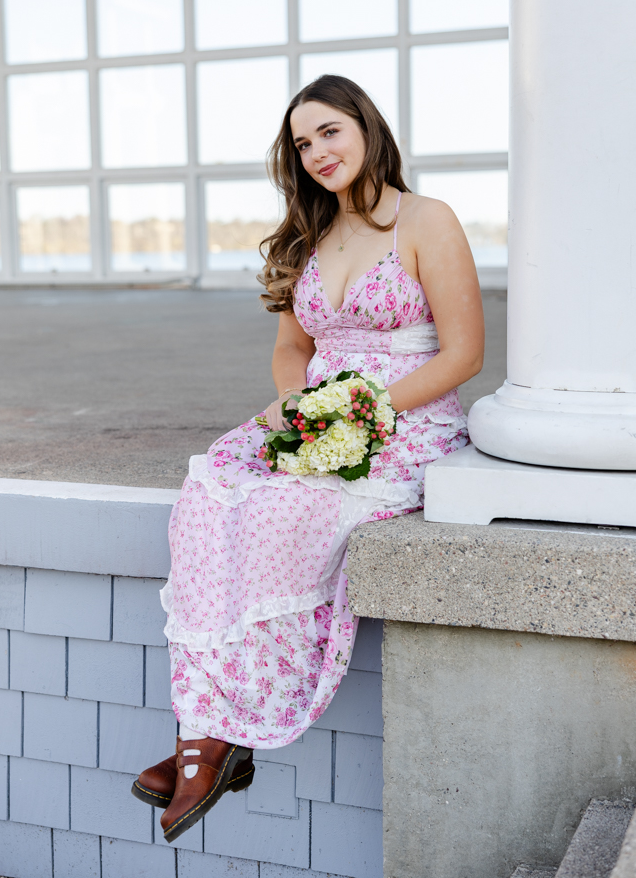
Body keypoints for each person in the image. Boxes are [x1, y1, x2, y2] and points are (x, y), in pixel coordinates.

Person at [131, 75, 484, 843]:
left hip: (404, 416)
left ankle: (225, 737)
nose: (317, 152)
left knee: (277, 513)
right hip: (317, 416)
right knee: (206, 501)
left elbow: (463, 354)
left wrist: (366, 411)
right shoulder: (311, 232)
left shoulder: (426, 220)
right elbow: (292, 351)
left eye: (329, 131)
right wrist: (299, 409)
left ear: (364, 127)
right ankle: (208, 728)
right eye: (302, 142)